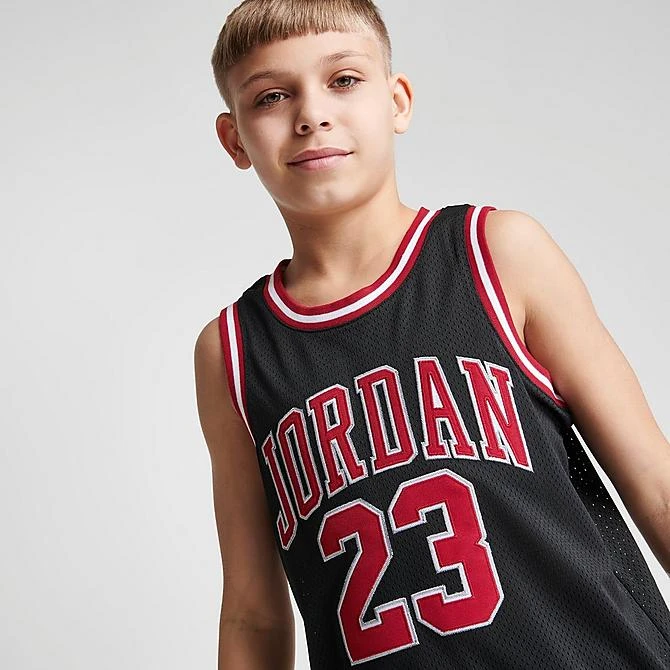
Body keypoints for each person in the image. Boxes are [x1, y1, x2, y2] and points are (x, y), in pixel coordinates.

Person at [193, 1, 670, 668]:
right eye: (272, 96)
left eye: (343, 80)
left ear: (397, 102)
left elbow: (657, 488)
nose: (312, 114)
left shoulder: (496, 253)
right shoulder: (234, 353)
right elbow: (253, 613)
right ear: (235, 139)